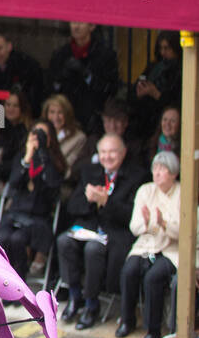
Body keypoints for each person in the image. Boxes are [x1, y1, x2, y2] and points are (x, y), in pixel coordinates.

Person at [56, 133, 146, 328]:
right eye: (103, 152)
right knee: (64, 241)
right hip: (89, 228)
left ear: (123, 153)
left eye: (113, 152)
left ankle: (91, 304)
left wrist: (107, 202)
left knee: (93, 249)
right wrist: (90, 200)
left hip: (116, 233)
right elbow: (72, 206)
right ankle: (74, 296)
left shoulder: (136, 176)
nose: (107, 156)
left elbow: (132, 215)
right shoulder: (91, 171)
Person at [118, 152, 186, 338]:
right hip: (145, 244)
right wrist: (149, 224)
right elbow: (135, 226)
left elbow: (183, 230)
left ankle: (153, 330)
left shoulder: (182, 192)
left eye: (163, 169)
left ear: (173, 174)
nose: (157, 173)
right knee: (129, 271)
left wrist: (164, 224)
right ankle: (127, 320)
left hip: (170, 249)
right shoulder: (145, 191)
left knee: (153, 278)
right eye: (155, 168)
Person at [0, 120, 64, 281]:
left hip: (38, 217)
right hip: (16, 213)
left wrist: (43, 154)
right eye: (34, 135)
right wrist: (27, 158)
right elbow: (14, 183)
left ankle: (18, 278)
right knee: (4, 236)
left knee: (17, 239)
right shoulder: (21, 158)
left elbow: (53, 186)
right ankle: (5, 278)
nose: (36, 140)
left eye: (41, 136)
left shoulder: (54, 161)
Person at [47, 22, 119, 132]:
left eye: (81, 22)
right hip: (64, 117)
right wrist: (61, 78)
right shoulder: (60, 54)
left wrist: (87, 75)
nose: (76, 27)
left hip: (92, 118)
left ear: (92, 26)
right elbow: (50, 87)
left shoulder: (105, 55)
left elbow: (110, 89)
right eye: (73, 22)